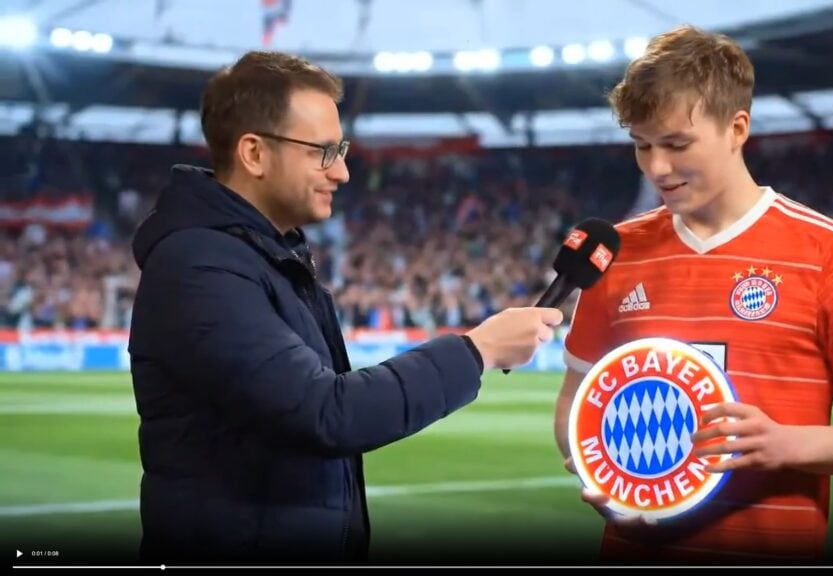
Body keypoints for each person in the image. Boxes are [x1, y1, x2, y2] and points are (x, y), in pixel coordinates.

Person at [128, 50, 562, 564]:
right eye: (324, 152)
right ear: (254, 153)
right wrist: (477, 351)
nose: (343, 172)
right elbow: (326, 413)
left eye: (342, 150)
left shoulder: (265, 257)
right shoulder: (199, 266)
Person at [553, 25, 833, 564]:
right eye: (642, 145)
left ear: (737, 128)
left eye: (676, 144)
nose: (657, 167)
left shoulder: (829, 252)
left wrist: (785, 444)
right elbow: (575, 406)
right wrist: (610, 484)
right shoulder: (614, 253)